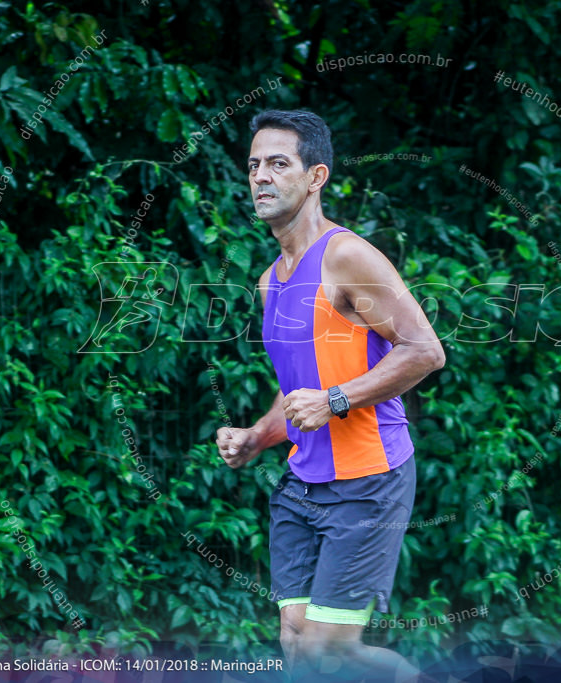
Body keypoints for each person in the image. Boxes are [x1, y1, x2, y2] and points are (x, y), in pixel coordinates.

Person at [216, 109, 445, 681]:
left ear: (315, 176)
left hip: (369, 479)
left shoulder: (346, 256)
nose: (261, 177)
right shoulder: (271, 280)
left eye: (278, 163)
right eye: (253, 165)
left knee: (328, 651)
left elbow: (424, 350)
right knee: (295, 641)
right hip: (302, 482)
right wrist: (257, 436)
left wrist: (336, 399)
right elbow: (298, 386)